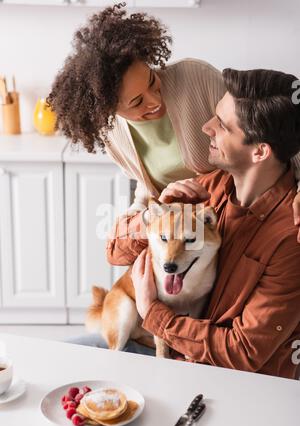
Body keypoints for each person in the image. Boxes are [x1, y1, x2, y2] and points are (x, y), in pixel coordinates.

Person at [110, 68, 300, 380]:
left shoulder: (289, 237)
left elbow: (244, 351)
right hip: (174, 352)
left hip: (224, 385)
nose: (206, 127)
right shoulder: (211, 188)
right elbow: (114, 250)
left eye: (222, 126)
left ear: (260, 151)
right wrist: (159, 215)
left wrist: (153, 312)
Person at [47, 2, 300, 234]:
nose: (155, 101)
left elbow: (273, 129)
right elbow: (148, 188)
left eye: (152, 80)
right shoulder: (113, 135)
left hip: (231, 219)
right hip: (179, 230)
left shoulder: (195, 78)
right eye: (137, 102)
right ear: (109, 110)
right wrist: (139, 219)